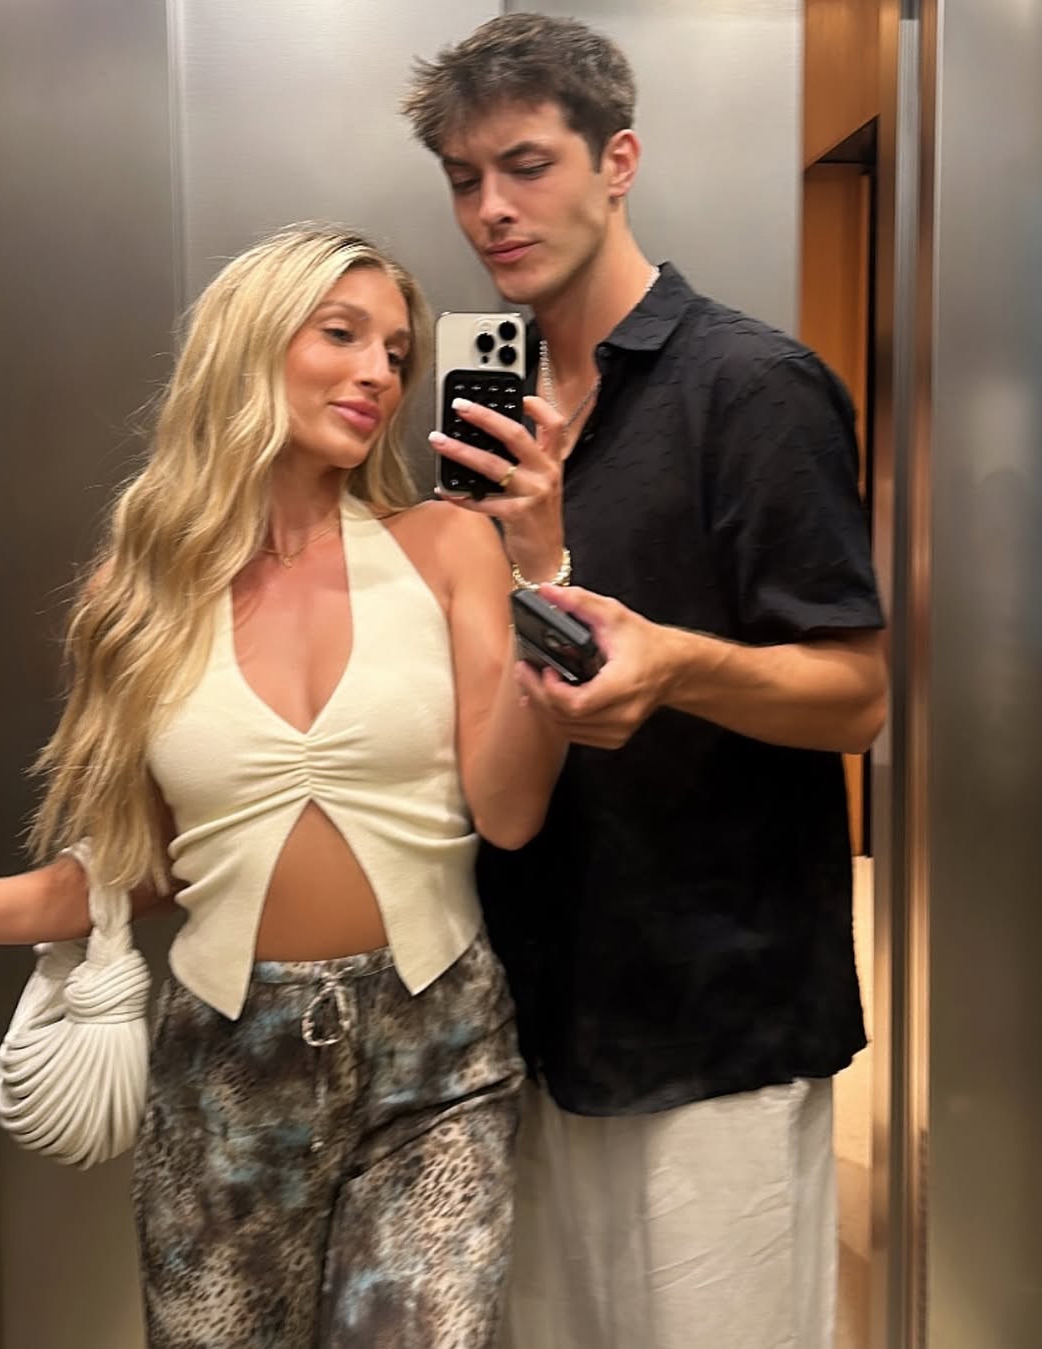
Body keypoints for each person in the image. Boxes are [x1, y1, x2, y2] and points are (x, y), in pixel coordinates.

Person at [0, 223, 567, 1348]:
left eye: (398, 351)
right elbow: (141, 869)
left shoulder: (447, 546)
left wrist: (545, 575)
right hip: (226, 1071)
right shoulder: (136, 592)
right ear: (250, 343)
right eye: (342, 334)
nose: (379, 372)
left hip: (439, 1056)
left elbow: (511, 810)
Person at [403, 15, 888, 1349]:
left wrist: (674, 665)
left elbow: (856, 693)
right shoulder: (496, 412)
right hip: (524, 1006)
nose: (491, 210)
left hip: (710, 1013)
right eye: (463, 178)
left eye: (526, 165)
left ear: (617, 161)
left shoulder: (752, 387)